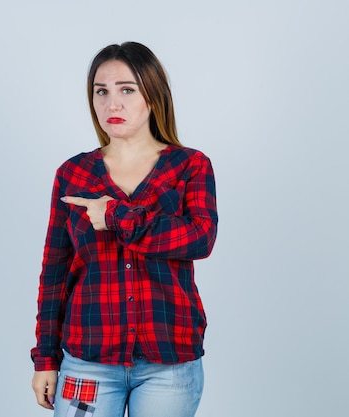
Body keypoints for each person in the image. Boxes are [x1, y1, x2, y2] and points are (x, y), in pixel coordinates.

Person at [30, 42, 218, 417]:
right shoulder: (73, 175)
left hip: (169, 361)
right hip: (88, 361)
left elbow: (200, 236)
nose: (111, 104)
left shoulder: (190, 166)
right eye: (102, 91)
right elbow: (54, 274)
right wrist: (45, 358)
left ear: (152, 95)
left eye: (126, 90)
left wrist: (115, 216)